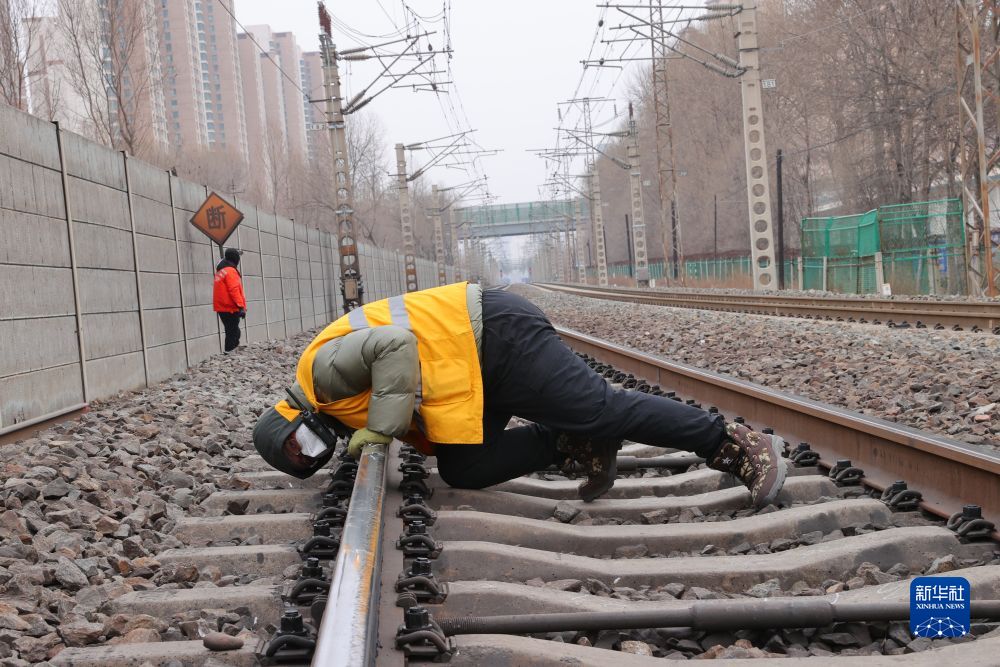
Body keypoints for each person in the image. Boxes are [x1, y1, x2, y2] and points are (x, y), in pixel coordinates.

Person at [252, 282, 786, 507]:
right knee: (464, 466)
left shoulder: (319, 376)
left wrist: (383, 430)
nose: (312, 449)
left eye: (300, 442)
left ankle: (731, 443)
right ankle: (572, 443)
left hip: (494, 335)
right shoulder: (336, 411)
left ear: (291, 418)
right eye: (306, 460)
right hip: (470, 376)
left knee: (598, 408)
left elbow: (394, 345)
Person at [213, 248, 246, 353]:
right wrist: (241, 306)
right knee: (233, 332)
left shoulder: (221, 271)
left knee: (231, 330)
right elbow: (234, 289)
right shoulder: (231, 271)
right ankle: (230, 352)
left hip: (222, 307)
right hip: (230, 307)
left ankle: (232, 352)